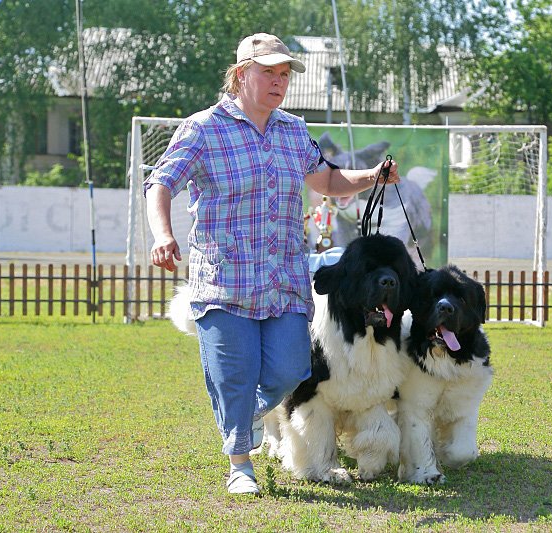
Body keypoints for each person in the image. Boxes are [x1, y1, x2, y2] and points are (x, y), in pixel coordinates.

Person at [143, 33, 399, 496]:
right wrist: (163, 235)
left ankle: (248, 413)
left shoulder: (293, 131)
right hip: (224, 281)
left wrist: (370, 175)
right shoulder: (202, 129)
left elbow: (327, 179)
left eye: (285, 75)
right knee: (233, 372)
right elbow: (160, 184)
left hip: (283, 281)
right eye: (269, 72)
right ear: (241, 74)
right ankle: (240, 463)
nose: (280, 82)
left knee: (290, 370)